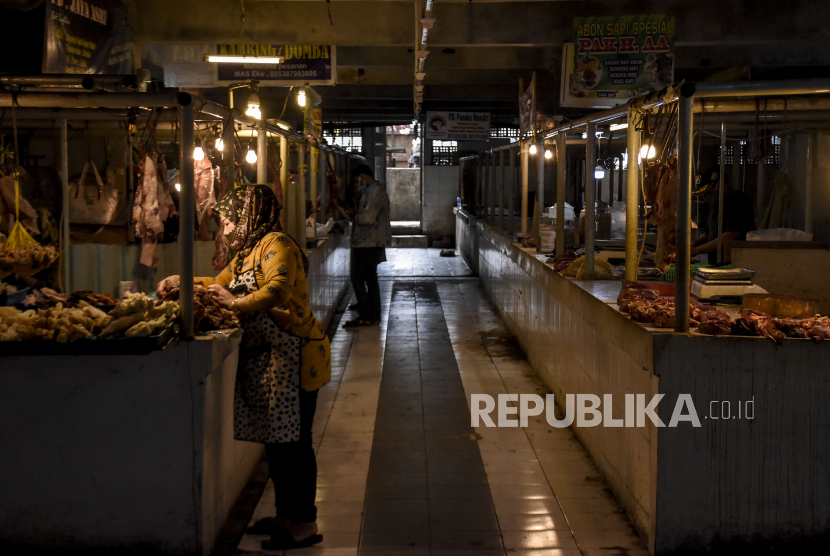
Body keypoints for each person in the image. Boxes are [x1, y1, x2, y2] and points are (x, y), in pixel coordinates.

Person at [157, 184, 330, 551]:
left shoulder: (276, 244)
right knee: (278, 443)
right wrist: (183, 283)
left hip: (295, 356)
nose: (227, 229)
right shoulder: (248, 251)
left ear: (251, 216)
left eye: (230, 221)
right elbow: (218, 285)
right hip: (271, 359)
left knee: (296, 445)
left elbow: (278, 290)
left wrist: (236, 304)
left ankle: (304, 522)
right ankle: (286, 513)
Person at [344, 164, 391, 327]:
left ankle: (366, 315)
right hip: (369, 241)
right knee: (370, 279)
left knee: (357, 279)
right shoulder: (371, 191)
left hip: (369, 242)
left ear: (363, 177)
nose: (358, 184)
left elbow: (368, 218)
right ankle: (373, 316)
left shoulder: (375, 192)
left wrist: (354, 217)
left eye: (358, 180)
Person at [691, 169, 756, 264]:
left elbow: (730, 236)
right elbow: (708, 233)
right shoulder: (715, 203)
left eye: (708, 192)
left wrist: (697, 250)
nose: (705, 196)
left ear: (719, 184)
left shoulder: (739, 200)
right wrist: (695, 243)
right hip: (715, 263)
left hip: (734, 263)